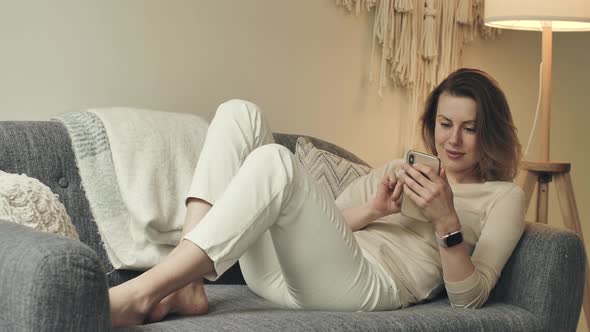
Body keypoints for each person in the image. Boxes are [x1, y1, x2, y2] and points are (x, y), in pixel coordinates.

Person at [109, 68, 525, 327]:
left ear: (489, 132)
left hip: (367, 286)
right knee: (241, 113)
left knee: (276, 162)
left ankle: (145, 290)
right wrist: (374, 209)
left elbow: (470, 301)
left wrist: (445, 221)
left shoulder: (503, 197)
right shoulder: (397, 171)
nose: (452, 140)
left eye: (468, 128)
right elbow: (321, 226)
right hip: (292, 276)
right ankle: (189, 285)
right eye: (444, 123)